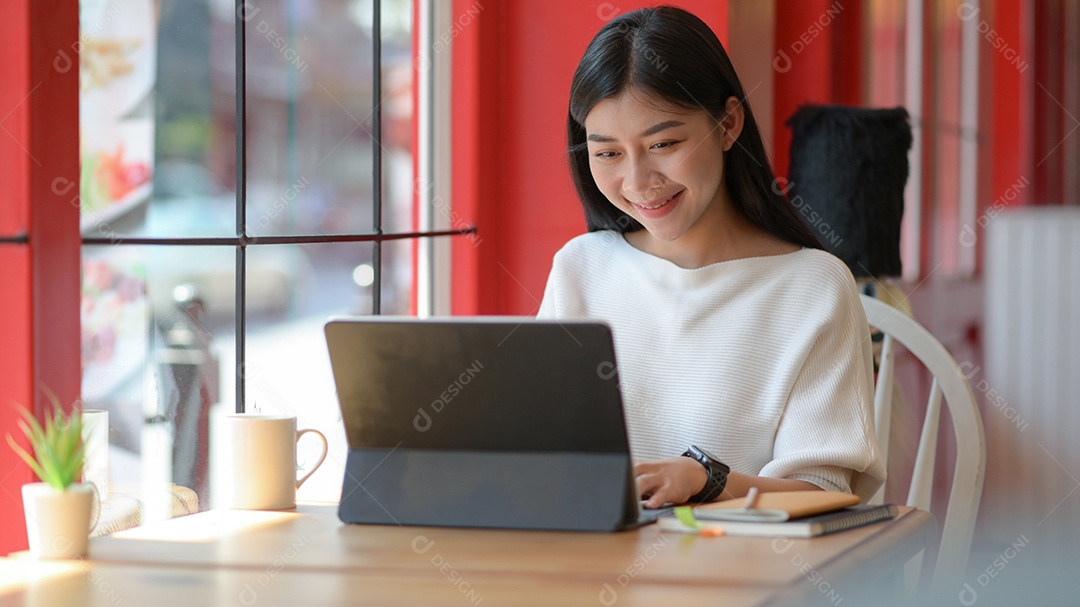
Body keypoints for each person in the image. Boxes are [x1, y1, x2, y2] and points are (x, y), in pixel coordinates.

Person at [537, 6, 885, 508]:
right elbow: (537, 456)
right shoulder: (581, 270)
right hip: (596, 571)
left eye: (663, 142)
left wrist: (705, 479)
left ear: (728, 124)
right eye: (608, 153)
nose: (637, 182)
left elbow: (823, 492)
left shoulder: (813, 286)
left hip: (751, 575)